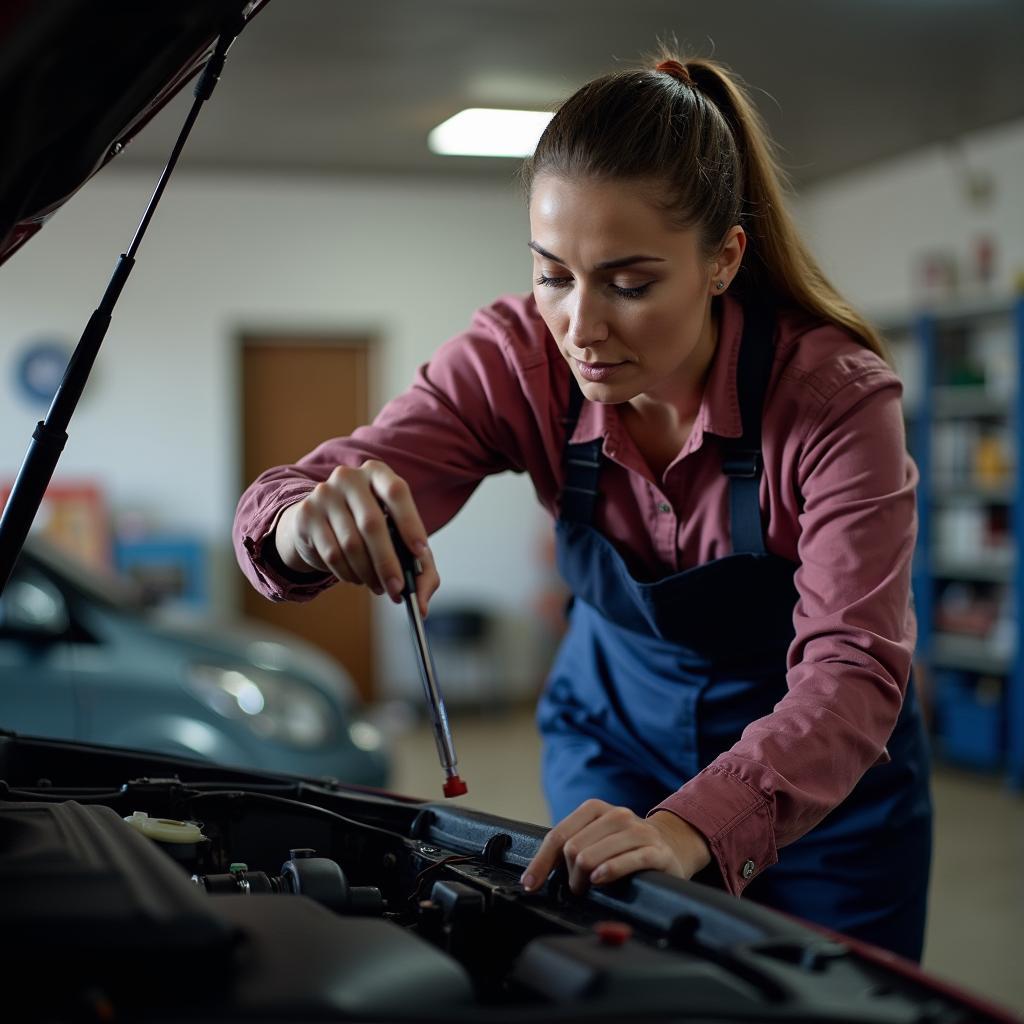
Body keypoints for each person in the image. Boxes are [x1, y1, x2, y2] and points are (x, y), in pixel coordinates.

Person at [233, 53, 933, 961]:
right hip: (614, 746)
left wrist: (696, 826)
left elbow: (854, 668)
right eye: (554, 275)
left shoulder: (834, 400)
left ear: (724, 258)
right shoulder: (517, 361)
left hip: (826, 784)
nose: (582, 328)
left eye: (630, 283)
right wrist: (303, 524)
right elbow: (293, 492)